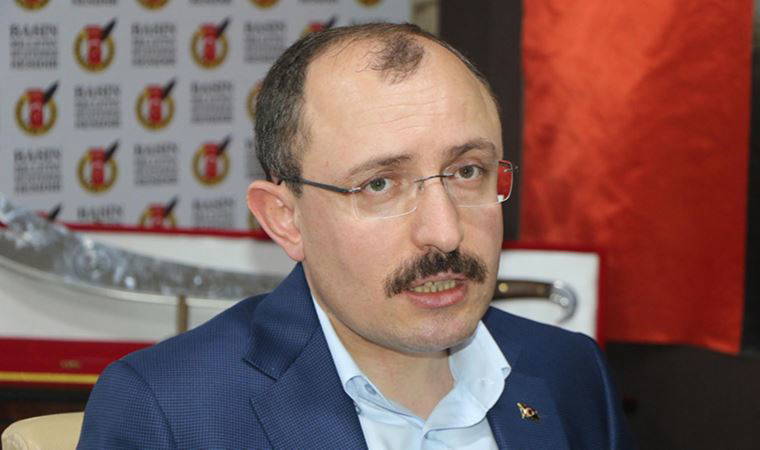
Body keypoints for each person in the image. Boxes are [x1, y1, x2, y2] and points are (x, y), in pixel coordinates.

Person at [78, 23, 634, 449]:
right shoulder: (170, 412)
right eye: (379, 184)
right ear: (285, 219)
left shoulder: (569, 371)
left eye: (467, 171)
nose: (444, 232)